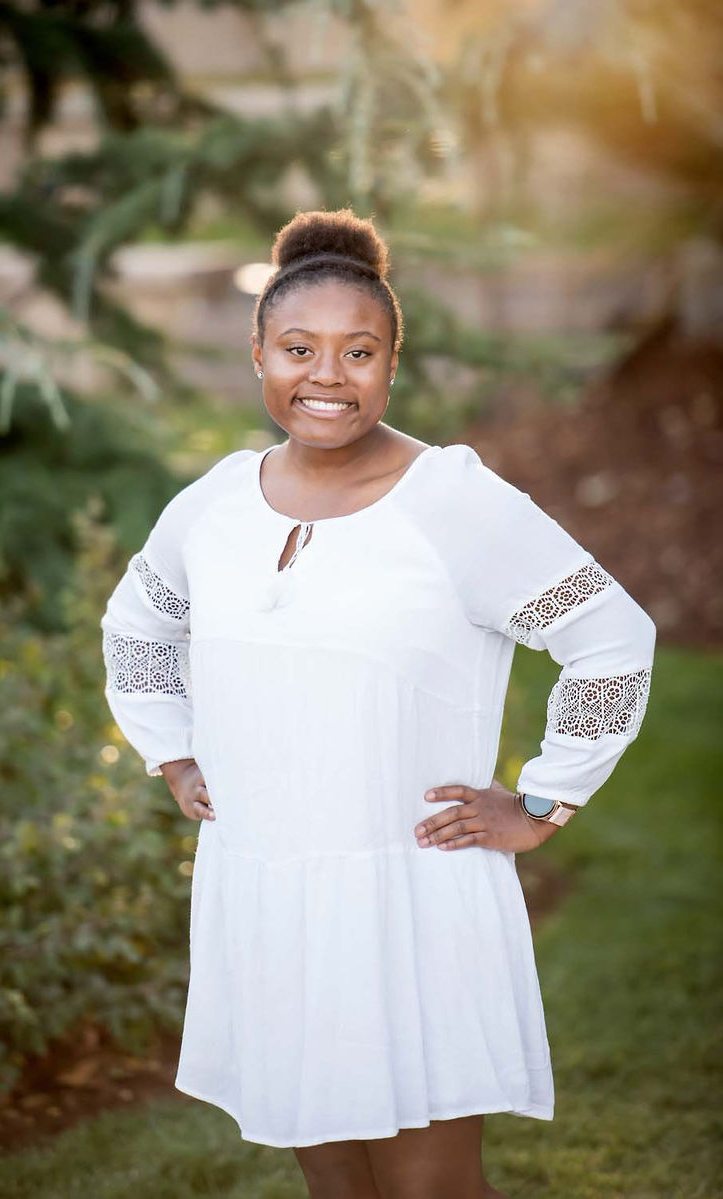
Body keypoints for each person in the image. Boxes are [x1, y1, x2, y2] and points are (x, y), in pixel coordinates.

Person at [100, 208, 656, 1199]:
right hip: (268, 889)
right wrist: (173, 749)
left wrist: (541, 800)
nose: (326, 374)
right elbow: (139, 625)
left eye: (358, 351)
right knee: (335, 1183)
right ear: (257, 355)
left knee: (429, 1186)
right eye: (299, 348)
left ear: (391, 364)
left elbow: (608, 637)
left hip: (408, 890)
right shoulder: (215, 503)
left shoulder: (450, 500)